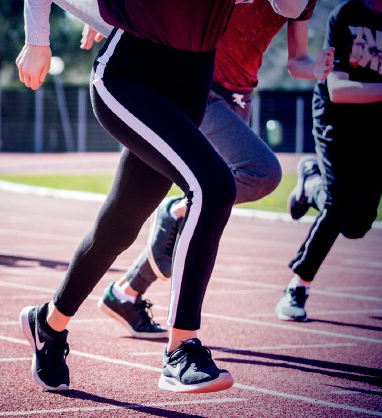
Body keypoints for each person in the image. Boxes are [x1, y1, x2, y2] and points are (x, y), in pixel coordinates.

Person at [16, 0, 310, 393]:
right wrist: (39, 40)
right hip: (129, 76)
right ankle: (181, 350)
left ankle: (48, 324)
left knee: (119, 227)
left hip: (191, 84)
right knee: (215, 186)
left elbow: (288, 7)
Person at [82, 0, 334, 339]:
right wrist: (109, 15)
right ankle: (176, 212)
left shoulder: (302, 2)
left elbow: (296, 60)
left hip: (239, 96)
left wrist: (316, 69)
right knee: (259, 173)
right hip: (199, 86)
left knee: (204, 213)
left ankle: (126, 293)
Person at [276, 0, 382, 322]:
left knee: (357, 225)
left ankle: (311, 183)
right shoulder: (347, 14)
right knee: (338, 204)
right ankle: (298, 287)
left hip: (380, 125)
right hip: (337, 119)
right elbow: (338, 89)